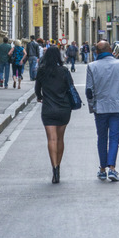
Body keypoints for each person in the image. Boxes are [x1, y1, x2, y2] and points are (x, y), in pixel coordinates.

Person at [86, 40, 119, 182]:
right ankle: (112, 168)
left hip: (100, 107)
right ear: (111, 50)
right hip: (118, 107)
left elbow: (89, 90)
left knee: (102, 138)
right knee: (114, 137)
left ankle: (102, 169)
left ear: (96, 52)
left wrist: (92, 106)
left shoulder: (92, 66)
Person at [35, 46, 74, 184]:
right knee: (60, 139)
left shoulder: (42, 71)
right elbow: (71, 87)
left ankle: (54, 168)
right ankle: (59, 165)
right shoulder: (64, 71)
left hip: (48, 109)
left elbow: (37, 91)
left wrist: (40, 97)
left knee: (52, 139)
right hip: (63, 108)